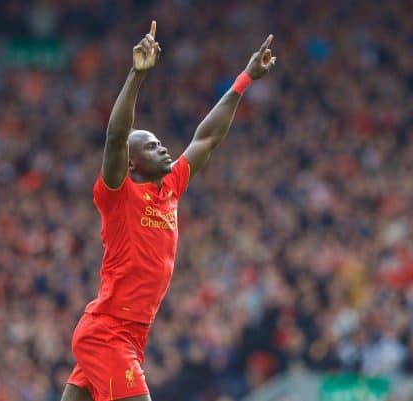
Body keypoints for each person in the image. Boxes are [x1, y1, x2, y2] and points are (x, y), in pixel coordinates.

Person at [61, 21, 276, 401]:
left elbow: (207, 137)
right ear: (131, 163)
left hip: (131, 333)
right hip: (108, 332)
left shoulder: (171, 187)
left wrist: (245, 78)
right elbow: (114, 137)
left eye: (161, 143)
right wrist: (136, 75)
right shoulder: (118, 194)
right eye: (152, 146)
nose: (164, 148)